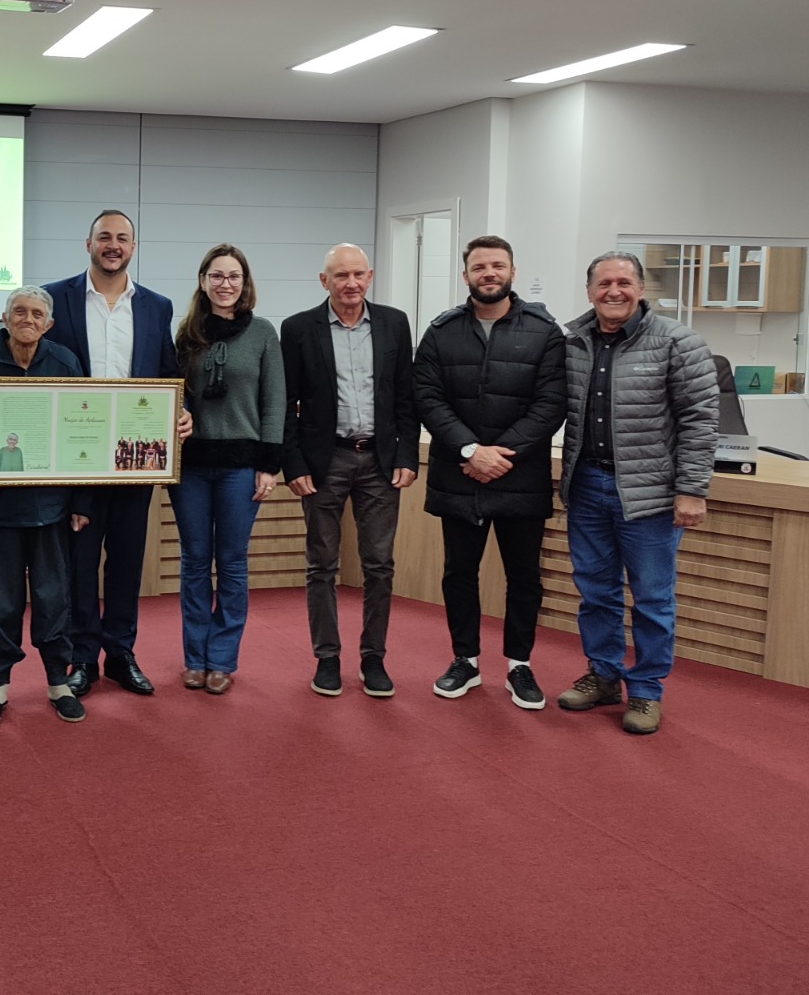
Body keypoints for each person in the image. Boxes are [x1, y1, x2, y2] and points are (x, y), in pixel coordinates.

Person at [555, 251, 718, 734]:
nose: (614, 291)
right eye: (604, 283)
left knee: (651, 598)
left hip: (650, 495)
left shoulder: (678, 342)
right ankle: (603, 675)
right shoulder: (574, 343)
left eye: (624, 282)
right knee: (595, 593)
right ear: (589, 291)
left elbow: (701, 421)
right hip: (586, 486)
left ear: (641, 289)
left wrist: (691, 489)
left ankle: (646, 691)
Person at [43, 210, 192, 698]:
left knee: (127, 559)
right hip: (78, 458)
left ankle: (121, 653)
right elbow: (31, 357)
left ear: (133, 246)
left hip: (135, 456)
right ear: (87, 243)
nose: (113, 245)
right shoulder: (55, 298)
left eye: (122, 238)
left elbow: (167, 373)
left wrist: (181, 411)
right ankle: (82, 657)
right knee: (81, 561)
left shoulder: (156, 306)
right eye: (104, 237)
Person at [414, 234, 566, 709]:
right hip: (459, 473)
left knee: (524, 576)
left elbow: (552, 404)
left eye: (498, 265)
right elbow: (426, 397)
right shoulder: (441, 332)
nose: (489, 274)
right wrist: (470, 451)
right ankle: (466, 660)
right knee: (459, 572)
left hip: (521, 474)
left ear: (512, 272)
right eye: (479, 267)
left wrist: (500, 455)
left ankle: (520, 664)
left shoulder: (545, 332)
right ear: (466, 276)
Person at [281, 243, 419, 700]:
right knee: (322, 564)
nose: (351, 283)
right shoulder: (299, 329)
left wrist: (406, 455)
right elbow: (285, 404)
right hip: (325, 462)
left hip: (380, 461)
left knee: (379, 565)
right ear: (325, 281)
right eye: (341, 275)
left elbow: (405, 396)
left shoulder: (394, 322)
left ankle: (373, 657)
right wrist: (293, 463)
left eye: (359, 274)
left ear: (371, 276)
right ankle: (327, 658)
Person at [0, 287, 92, 726]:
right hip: (1, 506)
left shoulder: (65, 363)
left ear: (49, 324)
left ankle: (57, 680)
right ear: (5, 316)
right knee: (0, 599)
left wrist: (80, 500)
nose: (28, 319)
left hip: (53, 507)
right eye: (19, 311)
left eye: (37, 314)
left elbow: (80, 434)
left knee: (54, 598)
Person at [170, 245, 284, 695]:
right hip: (191, 467)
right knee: (195, 562)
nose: (225, 284)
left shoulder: (262, 333)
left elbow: (275, 402)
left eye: (233, 276)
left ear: (245, 283)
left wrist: (269, 466)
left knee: (232, 564)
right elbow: (171, 393)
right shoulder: (186, 334)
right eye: (216, 276)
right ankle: (194, 657)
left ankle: (222, 659)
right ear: (203, 281)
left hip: (241, 468)